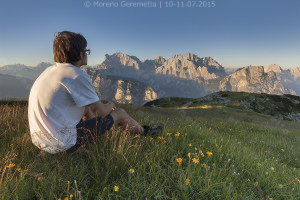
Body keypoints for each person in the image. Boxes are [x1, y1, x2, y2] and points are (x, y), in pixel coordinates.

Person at [28, 31, 163, 154]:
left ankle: (91, 139)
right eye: (86, 51)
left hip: (41, 142)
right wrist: (111, 104)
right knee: (120, 113)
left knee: (85, 108)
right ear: (81, 54)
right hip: (60, 143)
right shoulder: (76, 74)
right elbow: (103, 112)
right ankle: (146, 132)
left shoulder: (48, 71)